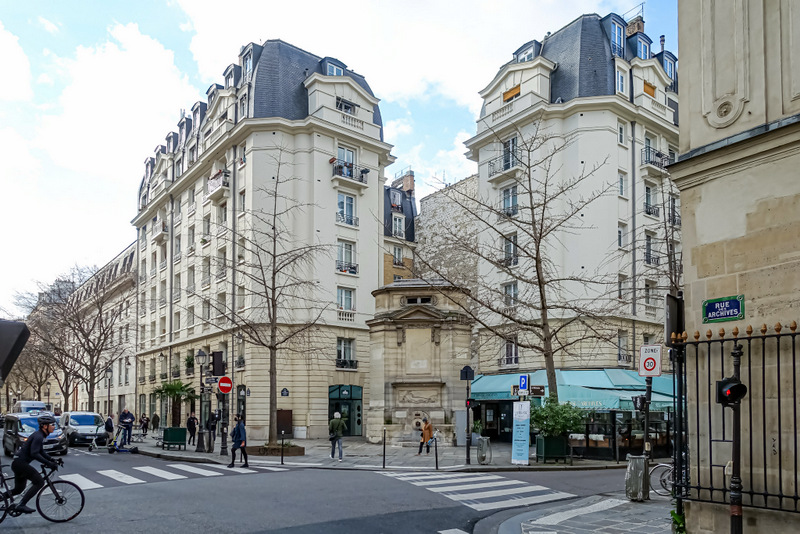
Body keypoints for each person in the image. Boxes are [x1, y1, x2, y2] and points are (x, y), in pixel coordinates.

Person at [1, 414, 62, 514]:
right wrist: (48, 463)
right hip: (20, 464)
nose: (54, 426)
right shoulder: (38, 436)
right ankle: (21, 505)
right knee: (39, 482)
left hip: (17, 463)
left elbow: (41, 451)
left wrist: (52, 460)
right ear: (44, 426)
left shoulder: (39, 435)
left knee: (18, 489)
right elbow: (35, 453)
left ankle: (2, 498)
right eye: (52, 424)